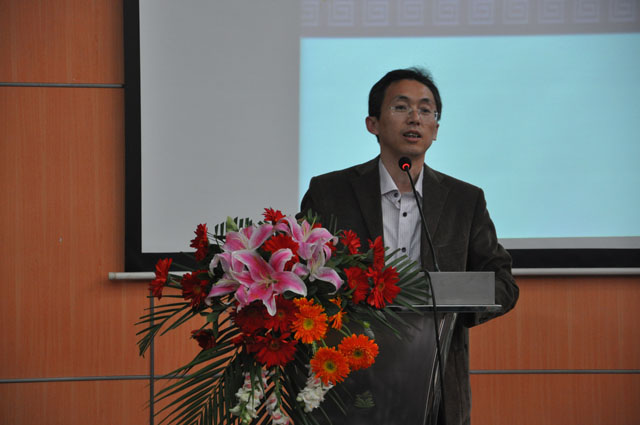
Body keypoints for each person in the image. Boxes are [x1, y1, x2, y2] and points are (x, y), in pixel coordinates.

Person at [300, 68, 519, 425]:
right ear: (373, 123)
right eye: (401, 107)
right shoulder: (330, 192)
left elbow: (504, 284)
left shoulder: (465, 201)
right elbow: (302, 273)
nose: (415, 117)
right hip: (346, 380)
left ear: (435, 129)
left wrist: (448, 301)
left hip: (436, 384)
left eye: (426, 110)